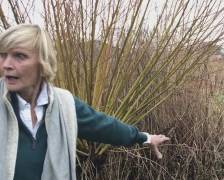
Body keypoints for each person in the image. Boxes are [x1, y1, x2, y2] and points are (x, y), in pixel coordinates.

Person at [0, 24, 170, 180]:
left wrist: (145, 138)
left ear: (42, 62)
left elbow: (104, 127)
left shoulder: (63, 104)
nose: (6, 64)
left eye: (19, 56)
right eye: (2, 55)